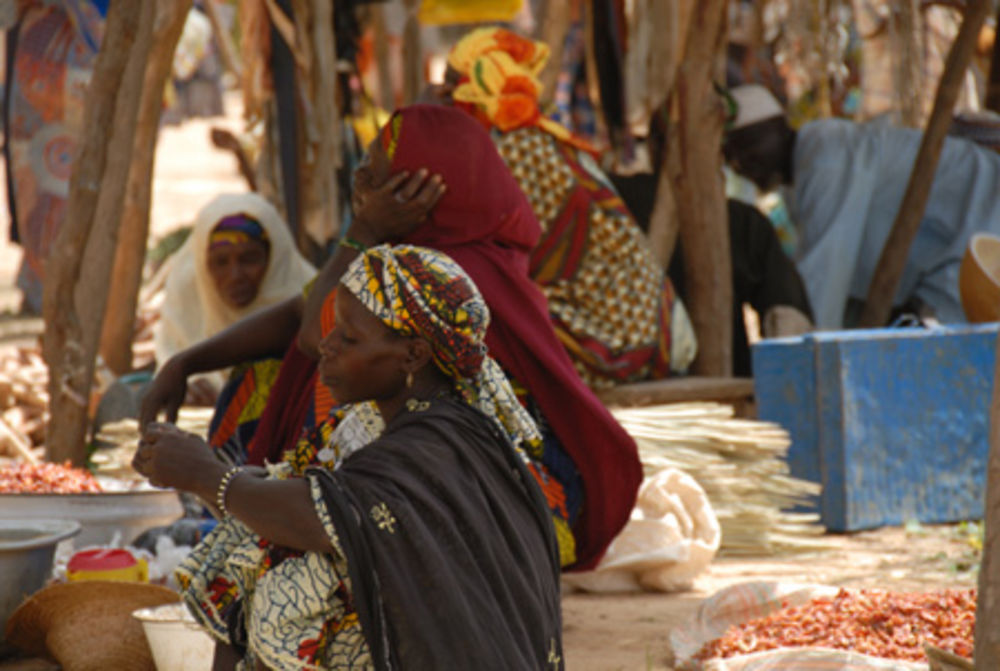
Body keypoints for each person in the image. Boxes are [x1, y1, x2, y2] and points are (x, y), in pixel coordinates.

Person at [141, 105, 642, 572]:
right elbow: (300, 313)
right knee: (259, 372)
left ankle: (295, 521)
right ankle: (265, 509)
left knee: (327, 377)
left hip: (484, 500)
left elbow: (317, 335)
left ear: (425, 190)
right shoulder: (402, 256)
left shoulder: (452, 271)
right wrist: (185, 363)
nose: (361, 180)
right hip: (421, 471)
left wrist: (362, 228)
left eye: (377, 171)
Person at [133, 244, 564, 670]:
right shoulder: (371, 422)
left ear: (413, 354)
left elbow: (321, 517)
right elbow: (293, 493)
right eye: (333, 327)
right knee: (256, 537)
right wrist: (208, 473)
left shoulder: (437, 442)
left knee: (291, 565)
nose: (327, 344)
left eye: (349, 337)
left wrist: (207, 475)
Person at [425, 27, 697, 390]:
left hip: (619, 338)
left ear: (474, 91)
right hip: (640, 326)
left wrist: (424, 119)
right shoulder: (529, 138)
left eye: (451, 84)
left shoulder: (515, 149)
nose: (443, 95)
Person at [723, 84, 1000, 329]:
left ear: (779, 128)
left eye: (749, 147)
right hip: (952, 250)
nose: (740, 164)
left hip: (984, 219)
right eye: (730, 157)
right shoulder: (798, 183)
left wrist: (807, 351)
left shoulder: (826, 152)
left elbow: (827, 268)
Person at [154, 193, 315, 405]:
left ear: (274, 259)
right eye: (221, 262)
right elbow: (170, 360)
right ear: (204, 266)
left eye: (249, 259)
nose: (235, 276)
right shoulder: (187, 296)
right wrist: (191, 384)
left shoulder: (312, 301)